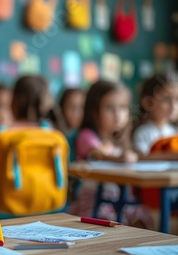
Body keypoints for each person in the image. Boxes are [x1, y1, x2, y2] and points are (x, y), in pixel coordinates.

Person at [68, 80, 153, 229]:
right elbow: (97, 154)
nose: (117, 115)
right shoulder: (87, 136)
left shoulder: (122, 140)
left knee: (142, 217)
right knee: (109, 220)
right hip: (94, 200)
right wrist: (120, 158)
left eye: (123, 108)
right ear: (94, 111)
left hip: (122, 199)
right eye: (109, 108)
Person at [133, 74, 178, 159]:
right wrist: (173, 156)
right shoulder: (143, 133)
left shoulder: (175, 131)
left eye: (177, 99)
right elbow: (141, 158)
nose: (174, 106)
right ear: (148, 102)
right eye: (166, 99)